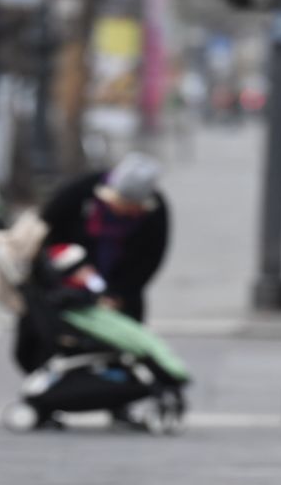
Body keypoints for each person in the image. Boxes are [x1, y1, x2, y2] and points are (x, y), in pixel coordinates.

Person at [14, 153, 170, 373]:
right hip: (66, 278)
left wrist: (119, 294)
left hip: (118, 283)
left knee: (125, 340)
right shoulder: (82, 191)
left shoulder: (155, 212)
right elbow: (47, 226)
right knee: (43, 331)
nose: (122, 210)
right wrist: (67, 266)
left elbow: (150, 259)